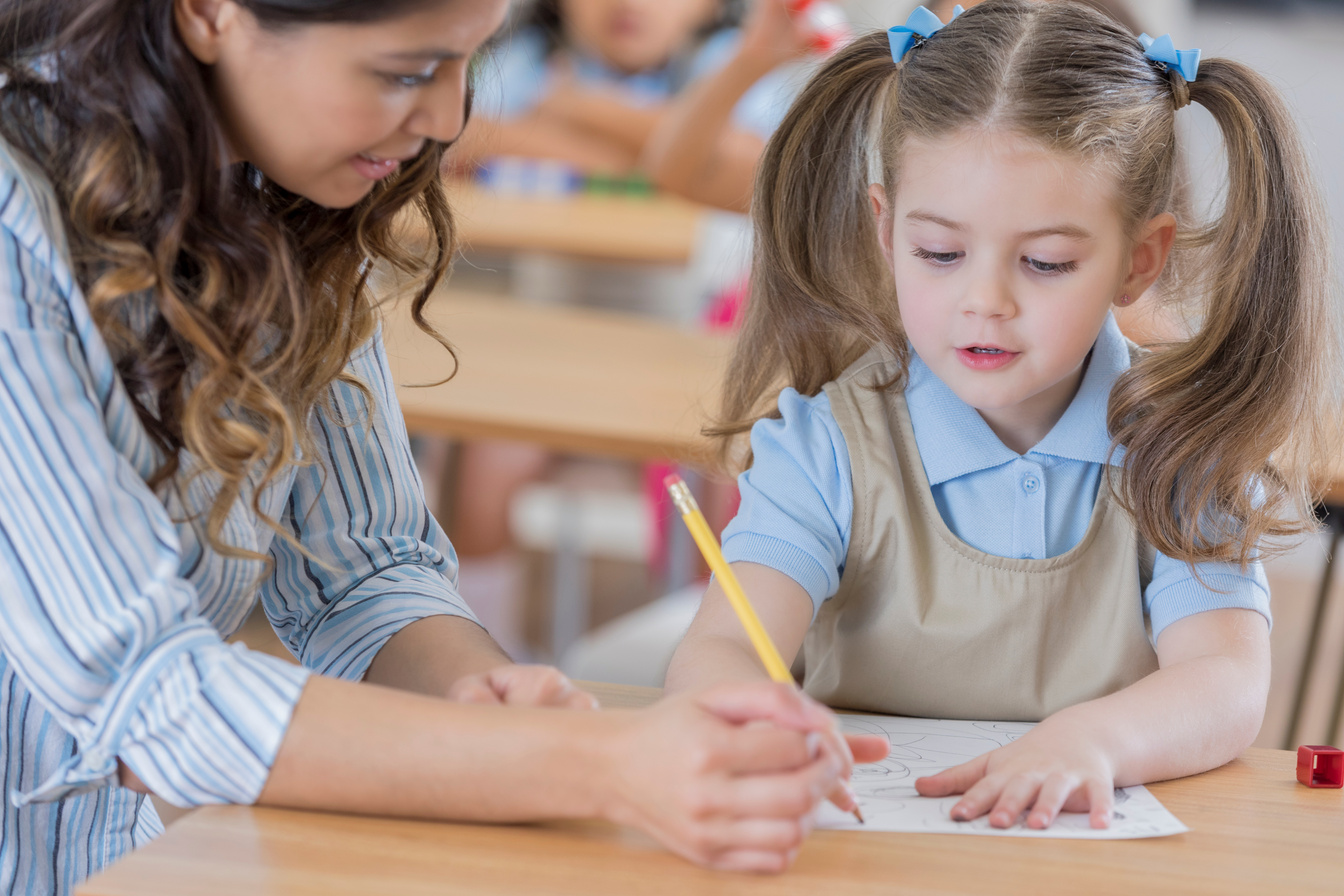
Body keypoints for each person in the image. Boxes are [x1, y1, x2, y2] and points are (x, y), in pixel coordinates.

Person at [0, 2, 888, 892]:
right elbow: (141, 696)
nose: (447, 119)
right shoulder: (14, 217)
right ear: (208, 14)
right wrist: (592, 760)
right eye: (403, 72)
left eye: (470, 61)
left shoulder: (276, 202)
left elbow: (365, 572)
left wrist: (488, 702)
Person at [666, 0, 1341, 831]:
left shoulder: (1182, 447)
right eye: (940, 254)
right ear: (885, 230)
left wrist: (1094, 740)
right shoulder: (826, 441)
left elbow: (1228, 685)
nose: (984, 302)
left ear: (1140, 262)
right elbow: (724, 646)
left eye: (1046, 262)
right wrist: (741, 710)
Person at [454, 0, 814, 212]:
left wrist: (578, 107)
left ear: (712, 6)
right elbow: (464, 139)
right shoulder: (531, 54)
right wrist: (667, 168)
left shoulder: (732, 61)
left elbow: (754, 166)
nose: (628, 3)